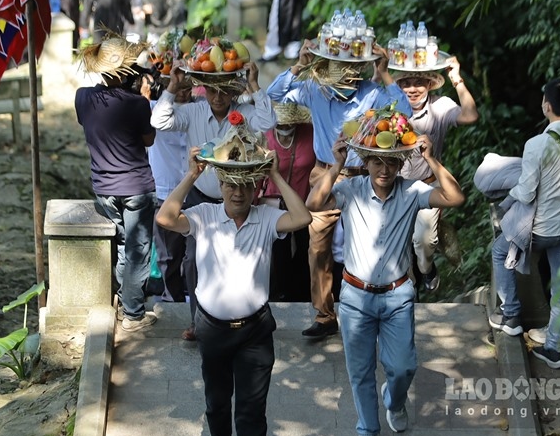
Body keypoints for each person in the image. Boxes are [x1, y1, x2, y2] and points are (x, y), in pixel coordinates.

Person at [155, 146, 312, 436]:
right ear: (220, 184)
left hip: (255, 331)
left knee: (252, 412)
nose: (237, 193)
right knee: (216, 401)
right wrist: (193, 175)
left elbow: (302, 217)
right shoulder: (204, 215)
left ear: (255, 186)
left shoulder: (267, 217)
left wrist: (274, 175)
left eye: (245, 184)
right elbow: (165, 217)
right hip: (212, 328)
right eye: (229, 184)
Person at [305, 133, 464, 436]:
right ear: (365, 162)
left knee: (404, 366)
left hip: (397, 295)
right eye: (377, 160)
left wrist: (431, 159)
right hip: (355, 296)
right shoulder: (351, 190)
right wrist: (336, 164)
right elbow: (313, 204)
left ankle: (394, 399)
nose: (385, 168)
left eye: (392, 161)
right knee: (360, 370)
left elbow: (454, 198)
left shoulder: (412, 191)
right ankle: (367, 428)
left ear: (401, 163)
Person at [266, 39, 411, 339]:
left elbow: (404, 111)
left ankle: (372, 310)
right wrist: (300, 64)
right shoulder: (314, 91)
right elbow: (275, 92)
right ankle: (324, 314)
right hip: (324, 173)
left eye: (350, 73)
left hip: (363, 175)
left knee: (371, 243)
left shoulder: (370, 93)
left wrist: (384, 73)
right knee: (317, 246)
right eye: (338, 73)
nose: (345, 79)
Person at [151, 63, 274, 341]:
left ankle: (243, 314)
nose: (218, 97)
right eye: (212, 90)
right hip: (201, 198)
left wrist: (254, 85)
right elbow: (159, 121)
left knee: (242, 255)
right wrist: (172, 87)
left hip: (238, 197)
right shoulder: (193, 111)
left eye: (224, 91)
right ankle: (199, 320)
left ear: (233, 90)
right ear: (203, 90)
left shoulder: (244, 112)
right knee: (193, 259)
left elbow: (268, 122)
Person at [490, 78, 560, 369]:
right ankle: (552, 348)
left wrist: (506, 198)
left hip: (540, 230)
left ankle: (511, 316)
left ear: (546, 106)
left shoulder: (537, 144)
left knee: (500, 251)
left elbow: (526, 191)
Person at [75, 32, 158, 332]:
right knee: (138, 251)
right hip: (136, 187)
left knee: (124, 245)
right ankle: (133, 314)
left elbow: (92, 123)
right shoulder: (136, 104)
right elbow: (148, 139)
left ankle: (126, 300)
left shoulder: (82, 97)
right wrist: (144, 100)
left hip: (103, 190)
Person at [395, 56, 479, 294]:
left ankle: (427, 267)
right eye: (406, 83)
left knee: (424, 242)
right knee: (396, 244)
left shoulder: (439, 105)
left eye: (418, 82)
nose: (412, 89)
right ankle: (404, 293)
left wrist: (456, 79)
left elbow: (471, 116)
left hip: (428, 187)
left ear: (430, 84)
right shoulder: (390, 106)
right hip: (396, 187)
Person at [260, 103, 315, 301]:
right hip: (273, 204)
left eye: (288, 123)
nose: (284, 127)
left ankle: (301, 296)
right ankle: (278, 296)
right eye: (280, 124)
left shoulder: (310, 133)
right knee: (277, 254)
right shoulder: (263, 136)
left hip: (304, 202)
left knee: (304, 250)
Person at [148, 81, 191, 304]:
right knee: (168, 254)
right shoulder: (154, 109)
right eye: (179, 87)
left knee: (194, 254)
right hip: (166, 191)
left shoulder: (198, 109)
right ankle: (172, 299)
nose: (184, 92)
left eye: (188, 86)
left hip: (195, 191)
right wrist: (172, 88)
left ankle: (197, 298)